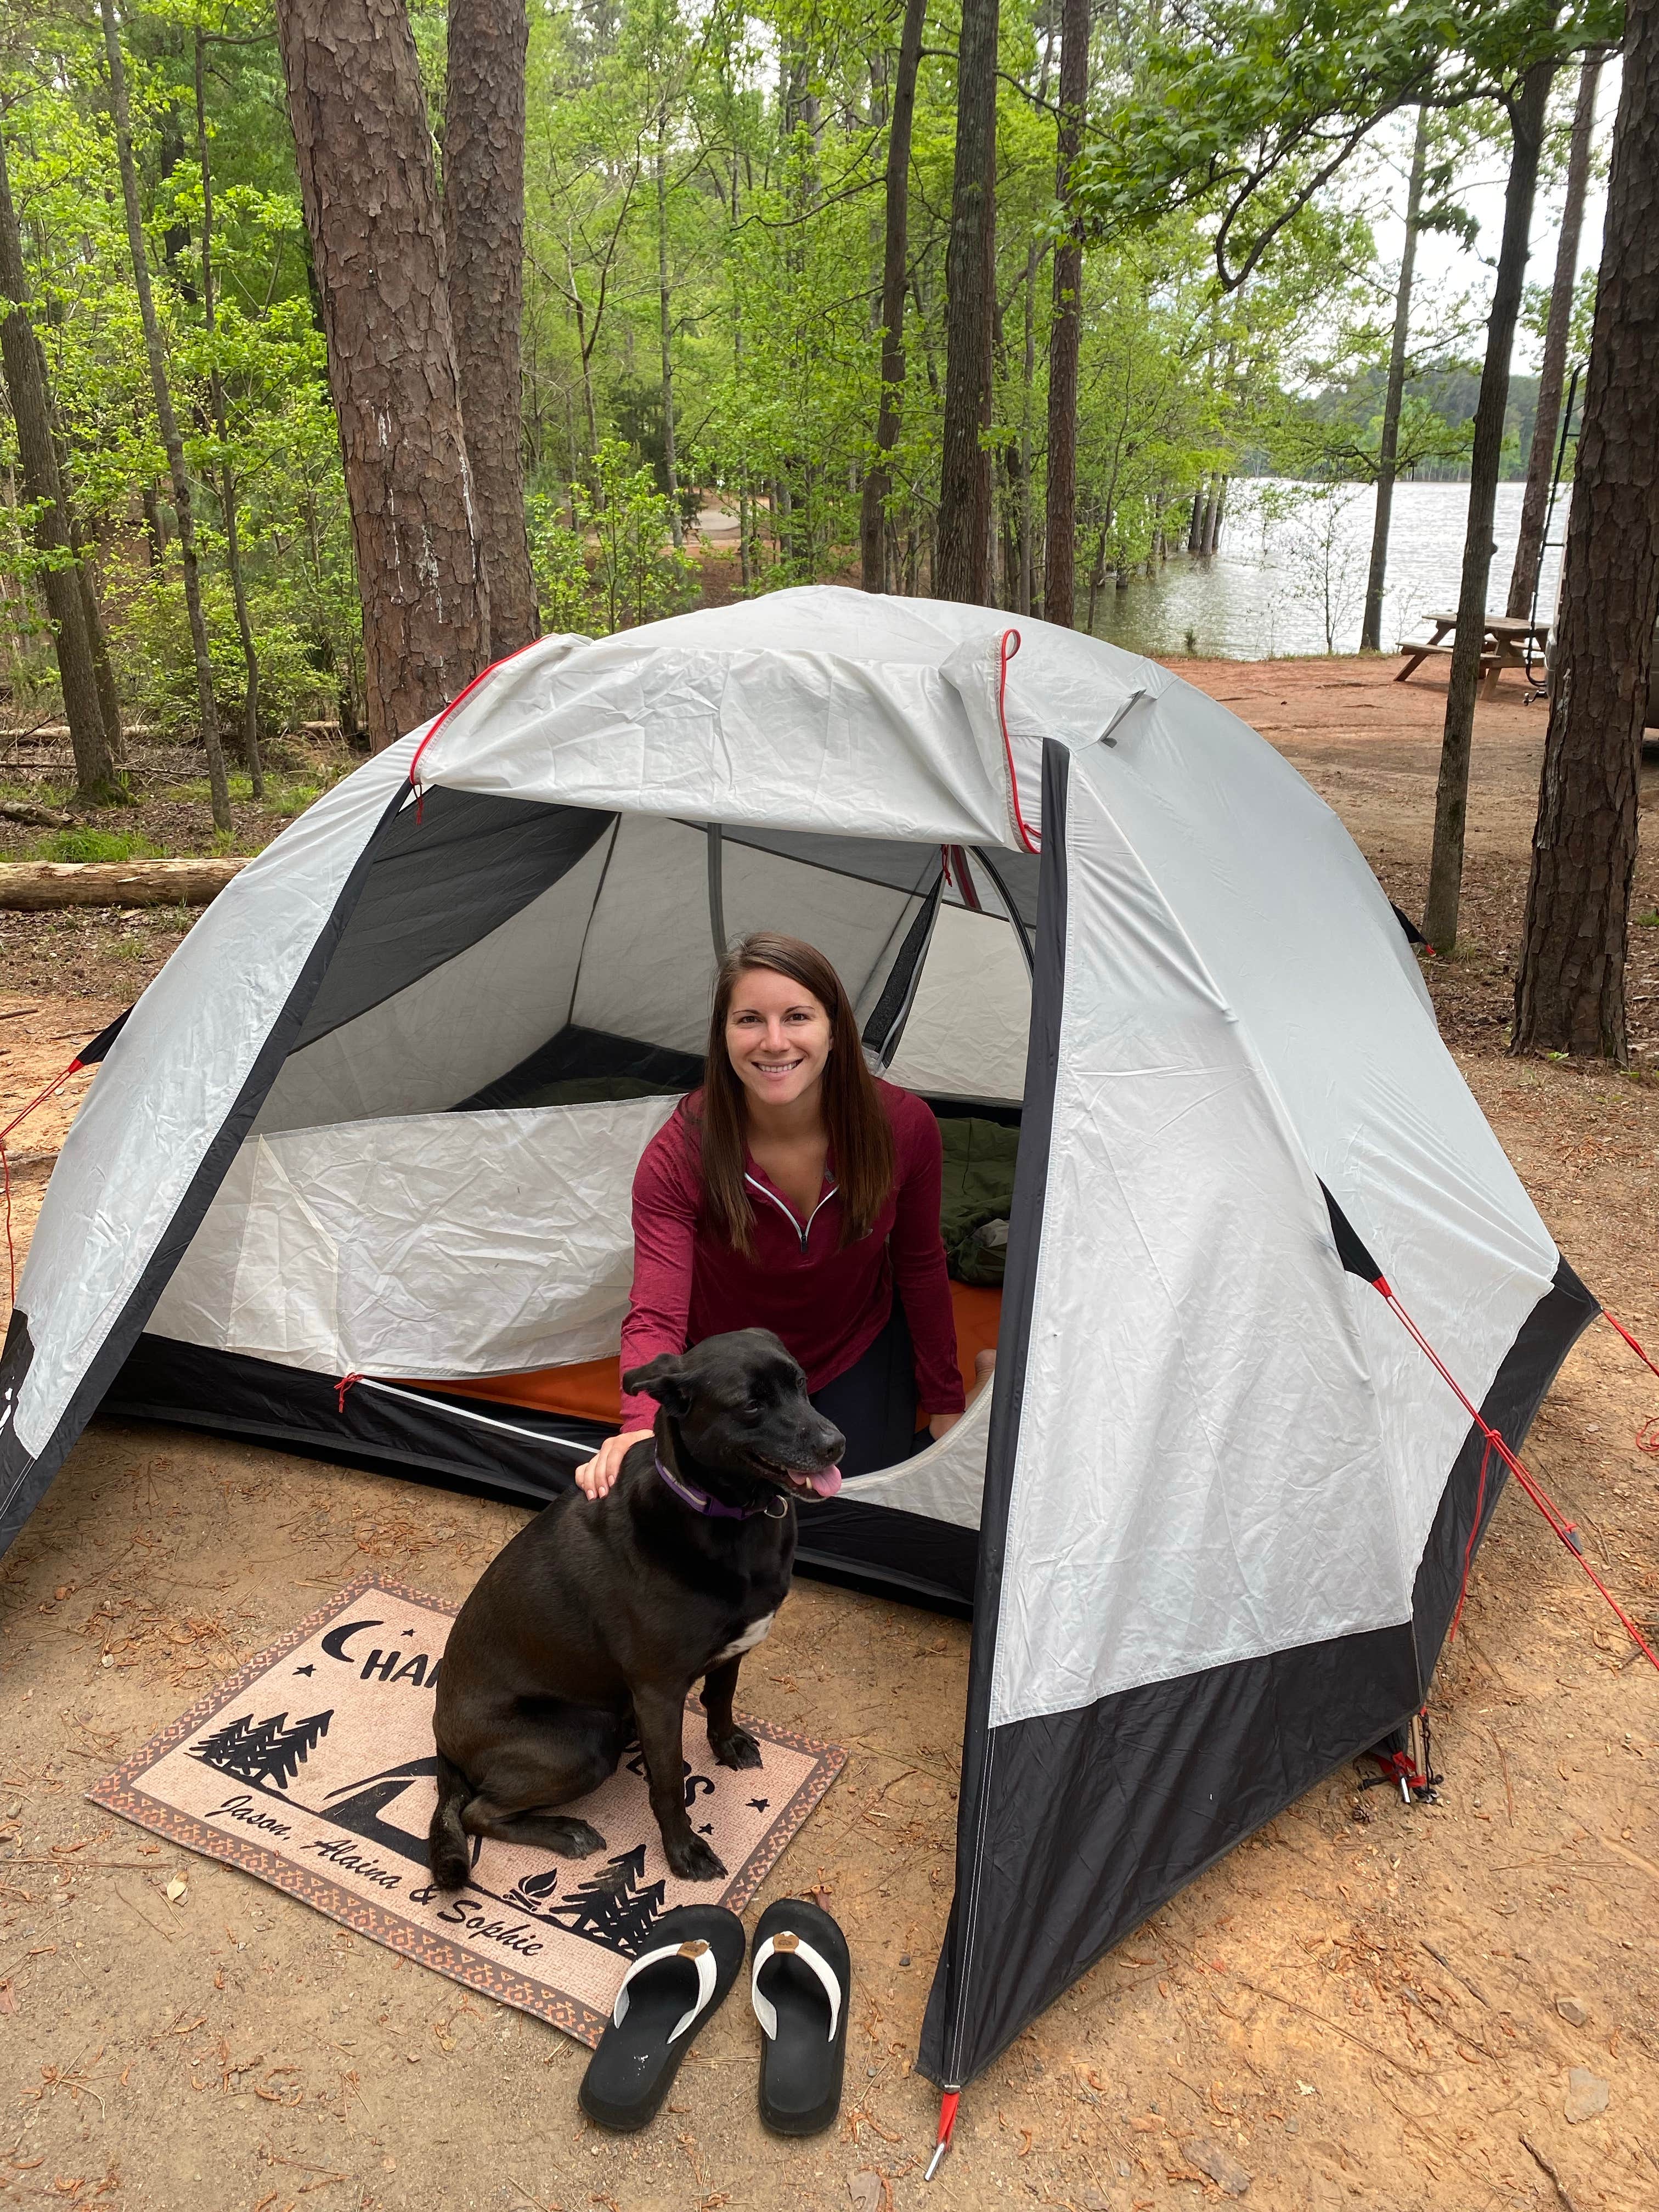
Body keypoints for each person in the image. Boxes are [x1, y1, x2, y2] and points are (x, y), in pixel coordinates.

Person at [574, 931, 974, 1499]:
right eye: (749, 1020)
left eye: (797, 1017)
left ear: (834, 1030)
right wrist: (639, 1426)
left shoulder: (904, 1128)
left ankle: (980, 1372)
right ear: (723, 1036)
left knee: (858, 1492)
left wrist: (945, 1401)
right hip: (739, 1368)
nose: (774, 1041)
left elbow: (921, 1263)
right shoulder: (679, 1155)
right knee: (744, 1495)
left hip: (851, 1341)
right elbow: (656, 1313)